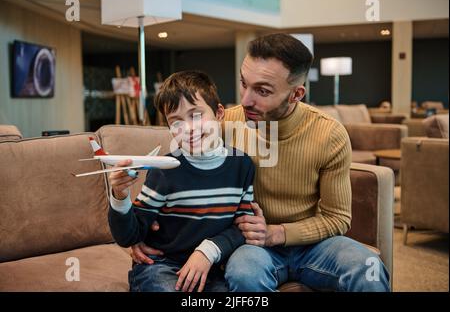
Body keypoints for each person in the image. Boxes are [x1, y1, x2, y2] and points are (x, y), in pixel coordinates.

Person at [131, 33, 390, 292]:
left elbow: (337, 218)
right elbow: (177, 173)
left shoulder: (329, 135)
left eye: (262, 91)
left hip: (314, 246)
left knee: (369, 266)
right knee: (244, 275)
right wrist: (142, 230)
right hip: (250, 246)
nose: (245, 100)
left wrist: (277, 233)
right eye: (244, 84)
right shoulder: (222, 124)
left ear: (296, 94)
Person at [108, 71, 255, 292]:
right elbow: (130, 235)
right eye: (176, 122)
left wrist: (207, 252)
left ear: (219, 113)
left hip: (212, 265)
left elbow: (242, 227)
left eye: (196, 115)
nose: (188, 129)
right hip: (162, 266)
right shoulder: (164, 170)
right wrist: (119, 196)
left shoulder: (242, 165)